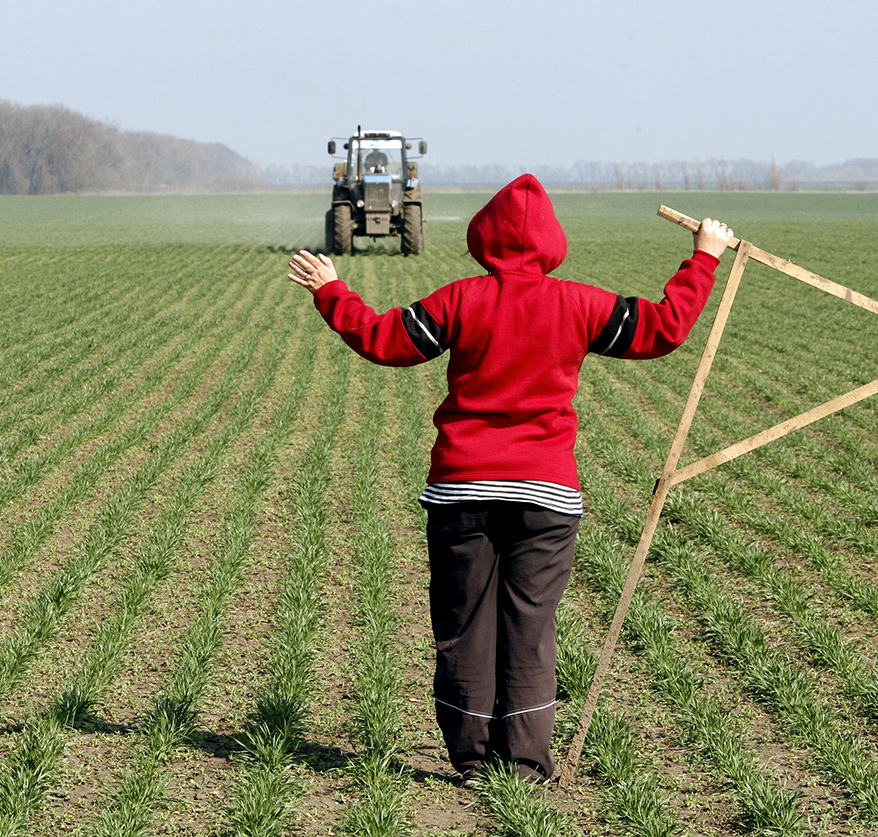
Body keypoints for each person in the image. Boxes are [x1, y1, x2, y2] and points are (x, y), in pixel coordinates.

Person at [286, 173, 734, 785]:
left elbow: (386, 341)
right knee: (530, 625)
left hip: (460, 492)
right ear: (553, 243)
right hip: (546, 497)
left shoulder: (462, 299)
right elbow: (662, 330)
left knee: (466, 625)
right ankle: (523, 765)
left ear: (483, 237)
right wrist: (703, 257)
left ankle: (471, 760)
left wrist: (334, 291)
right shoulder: (579, 303)